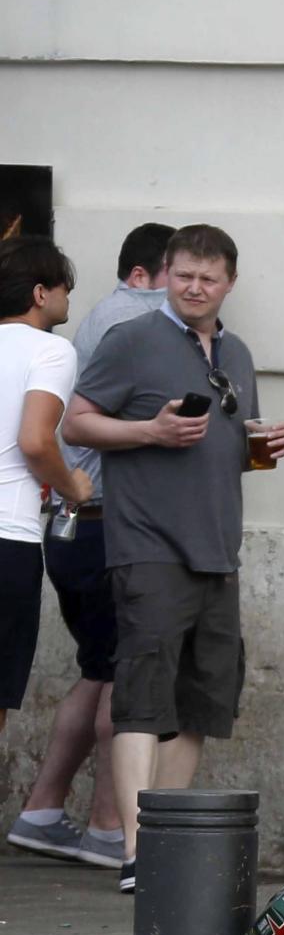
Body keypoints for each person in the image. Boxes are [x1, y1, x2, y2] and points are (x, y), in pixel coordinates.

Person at [61, 224, 284, 894]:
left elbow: (232, 449)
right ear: (166, 273)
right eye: (184, 275)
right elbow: (75, 423)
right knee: (141, 699)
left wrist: (265, 447)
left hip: (217, 548)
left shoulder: (237, 352)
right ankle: (137, 851)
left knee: (200, 701)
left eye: (208, 278)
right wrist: (150, 431)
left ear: (229, 284)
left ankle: (166, 847)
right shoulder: (132, 339)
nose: (194, 288)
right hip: (148, 547)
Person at [7, 224, 172, 867]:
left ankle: (42, 810)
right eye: (180, 275)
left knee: (99, 668)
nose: (191, 290)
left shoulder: (83, 330)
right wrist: (72, 481)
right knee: (124, 672)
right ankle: (107, 827)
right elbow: (38, 440)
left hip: (63, 530)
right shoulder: (121, 324)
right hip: (91, 520)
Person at [0, 237, 92, 740]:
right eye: (64, 288)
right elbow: (35, 440)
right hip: (7, 538)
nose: (68, 298)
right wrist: (72, 484)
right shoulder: (51, 349)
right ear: (40, 294)